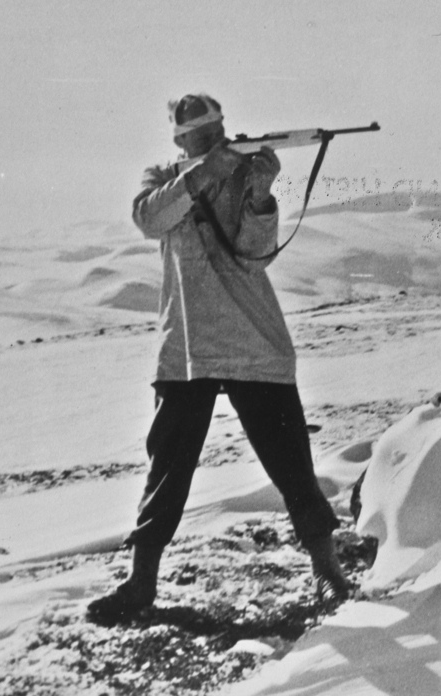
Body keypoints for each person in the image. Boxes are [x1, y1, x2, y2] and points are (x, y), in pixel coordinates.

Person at [87, 93, 350, 623]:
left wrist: (258, 193)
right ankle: (141, 583)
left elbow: (257, 256)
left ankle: (328, 570)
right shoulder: (163, 179)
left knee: (292, 464)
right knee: (168, 469)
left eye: (216, 134)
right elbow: (150, 217)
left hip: (254, 342)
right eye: (200, 139)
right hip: (187, 349)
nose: (211, 143)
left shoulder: (242, 174)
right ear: (180, 142)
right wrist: (205, 172)